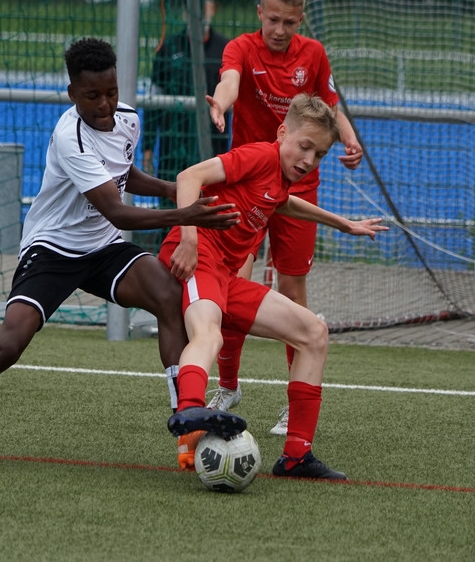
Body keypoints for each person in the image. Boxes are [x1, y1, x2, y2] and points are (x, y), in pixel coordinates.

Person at [0, 37, 243, 465]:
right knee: (10, 344)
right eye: (92, 95)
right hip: (53, 250)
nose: (105, 104)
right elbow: (116, 210)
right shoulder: (70, 138)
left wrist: (170, 189)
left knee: (170, 297)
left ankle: (187, 429)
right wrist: (186, 212)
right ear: (72, 94)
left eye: (111, 92)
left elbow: (123, 172)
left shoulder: (128, 119)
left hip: (102, 247)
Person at [162, 95, 386, 480]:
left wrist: (344, 223)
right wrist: (189, 239)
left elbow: (284, 202)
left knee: (313, 333)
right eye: (304, 147)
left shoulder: (281, 178)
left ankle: (297, 456)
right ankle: (190, 418)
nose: (309, 160)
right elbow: (188, 177)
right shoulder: (261, 156)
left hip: (226, 276)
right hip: (200, 259)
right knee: (209, 333)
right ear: (282, 133)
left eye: (319, 155)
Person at [203, 0, 364, 435]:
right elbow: (229, 80)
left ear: (301, 21)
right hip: (247, 186)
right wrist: (221, 105)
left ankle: (295, 402)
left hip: (299, 186)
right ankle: (228, 387)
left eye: (289, 22)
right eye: (273, 19)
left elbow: (329, 108)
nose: (279, 29)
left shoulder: (313, 54)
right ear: (260, 13)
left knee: (293, 293)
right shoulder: (241, 47)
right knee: (231, 286)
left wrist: (350, 139)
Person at [143, 0, 230, 202]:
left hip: (213, 149)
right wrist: (147, 149)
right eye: (190, 7)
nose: (196, 13)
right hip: (173, 148)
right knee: (170, 208)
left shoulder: (226, 49)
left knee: (210, 208)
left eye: (202, 7)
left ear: (212, 8)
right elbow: (153, 102)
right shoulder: (168, 48)